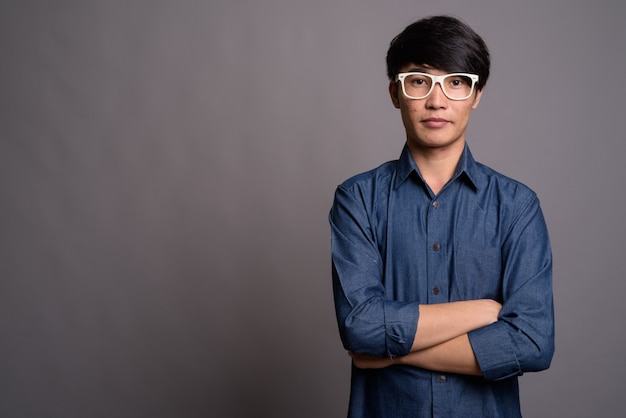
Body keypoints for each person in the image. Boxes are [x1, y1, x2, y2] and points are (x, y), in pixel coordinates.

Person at [329, 15, 554, 417]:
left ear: (476, 94)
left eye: (455, 81)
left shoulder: (517, 205)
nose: (437, 100)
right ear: (396, 93)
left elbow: (533, 342)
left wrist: (393, 354)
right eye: (419, 80)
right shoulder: (358, 199)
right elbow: (360, 328)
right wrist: (482, 311)